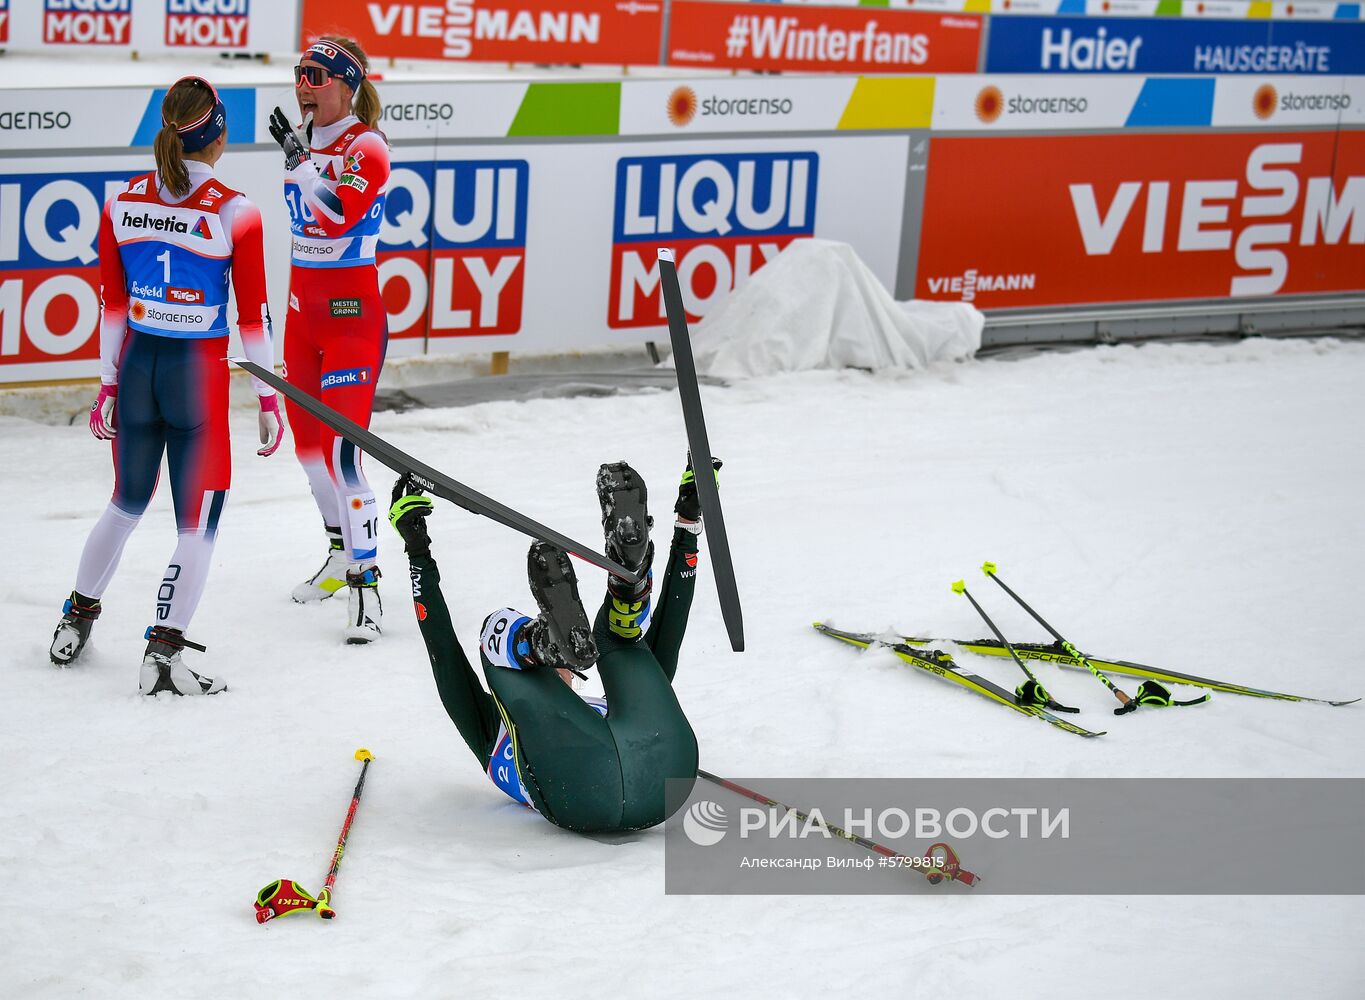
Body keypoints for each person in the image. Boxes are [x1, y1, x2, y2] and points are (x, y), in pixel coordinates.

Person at [48, 76, 282, 695]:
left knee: (124, 503)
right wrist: (268, 396)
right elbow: (252, 318)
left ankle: (74, 619)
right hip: (194, 378)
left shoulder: (120, 202)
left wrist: (106, 384)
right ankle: (163, 654)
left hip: (136, 368)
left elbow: (112, 308)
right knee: (197, 523)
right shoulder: (239, 210)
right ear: (219, 136)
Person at [388, 459, 721, 833]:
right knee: (618, 637)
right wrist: (417, 552)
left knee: (611, 636)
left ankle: (581, 615)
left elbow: (666, 635)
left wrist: (689, 518)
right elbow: (444, 655)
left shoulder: (601, 711)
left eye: (556, 660)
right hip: (653, 780)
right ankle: (602, 606)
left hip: (651, 778)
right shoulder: (493, 727)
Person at [268, 36, 391, 643]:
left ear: (346, 84)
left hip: (350, 319)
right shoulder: (303, 142)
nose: (303, 84)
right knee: (310, 452)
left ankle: (368, 589)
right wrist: (300, 157)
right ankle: (341, 556)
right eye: (299, 73)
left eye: (316, 75)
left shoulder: (366, 144)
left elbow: (337, 212)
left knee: (345, 458)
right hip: (303, 319)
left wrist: (301, 163)